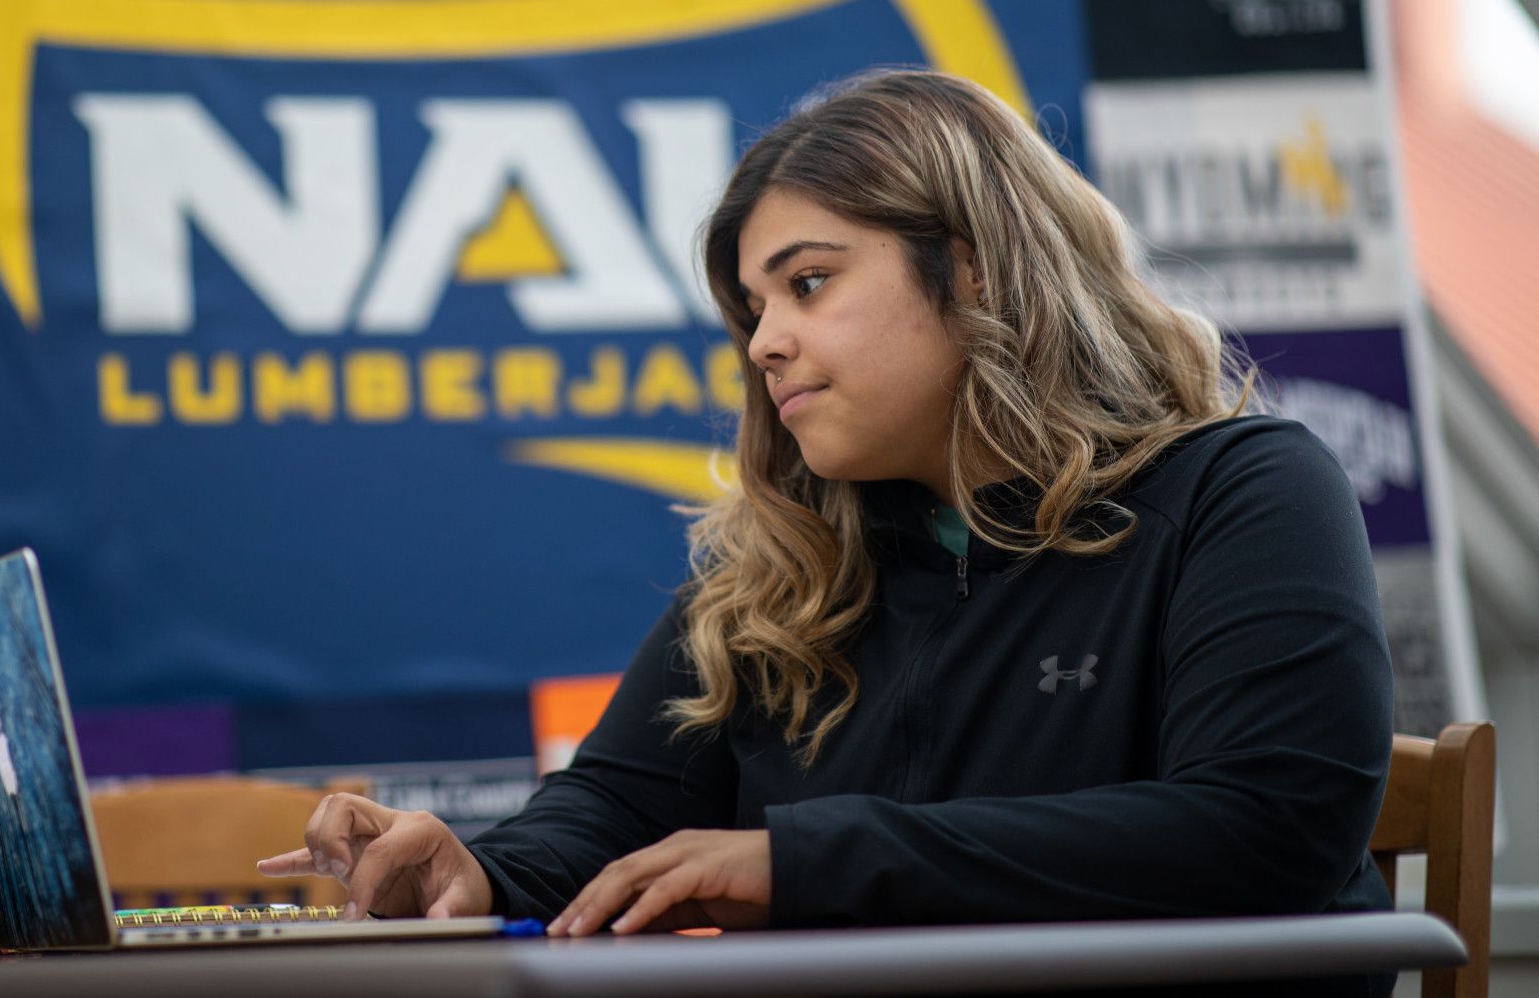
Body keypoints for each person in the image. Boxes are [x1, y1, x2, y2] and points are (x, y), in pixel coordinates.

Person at [257, 70, 1395, 974]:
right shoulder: (783, 566)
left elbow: (1261, 829)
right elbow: (619, 803)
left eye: (806, 285)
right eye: (752, 309)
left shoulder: (1238, 489)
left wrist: (797, 862)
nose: (761, 344)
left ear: (975, 272)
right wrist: (484, 874)